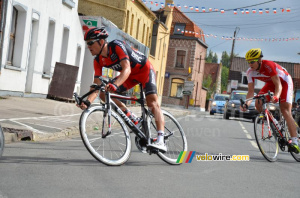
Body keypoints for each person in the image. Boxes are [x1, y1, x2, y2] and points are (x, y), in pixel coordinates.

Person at [77, 27, 166, 152]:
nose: (88, 46)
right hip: (131, 77)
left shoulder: (117, 46)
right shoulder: (98, 60)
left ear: (101, 42)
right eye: (87, 43)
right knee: (104, 94)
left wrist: (116, 84)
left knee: (152, 102)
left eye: (91, 42)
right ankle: (132, 117)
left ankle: (161, 140)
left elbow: (127, 69)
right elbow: (96, 84)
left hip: (144, 71)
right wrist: (87, 102)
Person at [241, 48, 300, 153]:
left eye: (252, 61)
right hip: (271, 84)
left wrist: (276, 96)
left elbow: (278, 85)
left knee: (285, 110)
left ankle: (295, 141)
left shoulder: (268, 65)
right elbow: (250, 92)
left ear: (259, 60)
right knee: (258, 102)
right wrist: (246, 104)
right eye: (248, 61)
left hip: (284, 82)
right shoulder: (250, 72)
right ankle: (273, 123)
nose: (250, 64)